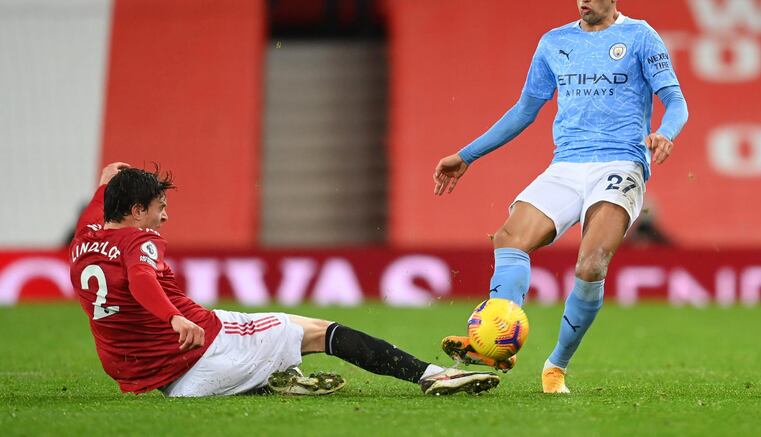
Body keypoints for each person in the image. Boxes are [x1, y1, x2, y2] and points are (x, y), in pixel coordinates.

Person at [433, 0, 689, 393]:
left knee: (590, 265)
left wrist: (665, 132)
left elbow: (677, 101)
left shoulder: (641, 37)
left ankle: (555, 365)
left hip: (620, 162)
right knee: (509, 237)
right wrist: (467, 154)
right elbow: (524, 110)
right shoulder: (553, 43)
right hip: (566, 165)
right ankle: (496, 341)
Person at [70, 162, 499, 397]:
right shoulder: (140, 241)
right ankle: (432, 375)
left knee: (269, 339)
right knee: (319, 331)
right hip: (203, 349)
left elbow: (110, 175)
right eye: (159, 206)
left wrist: (114, 178)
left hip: (155, 380)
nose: (165, 216)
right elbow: (143, 278)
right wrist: (174, 319)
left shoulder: (84, 238)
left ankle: (272, 379)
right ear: (136, 210)